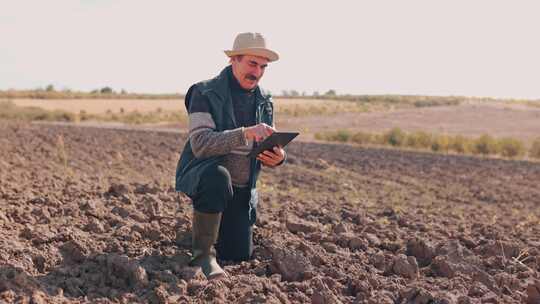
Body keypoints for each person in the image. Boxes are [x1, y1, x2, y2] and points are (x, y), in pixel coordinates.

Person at [175, 32, 286, 279]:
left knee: (238, 254)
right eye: (252, 63)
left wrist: (278, 157)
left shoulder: (265, 99)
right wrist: (245, 133)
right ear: (233, 60)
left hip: (242, 189)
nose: (257, 72)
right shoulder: (203, 92)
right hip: (209, 178)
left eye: (263, 66)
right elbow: (201, 144)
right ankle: (202, 254)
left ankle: (206, 230)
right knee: (217, 176)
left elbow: (266, 142)